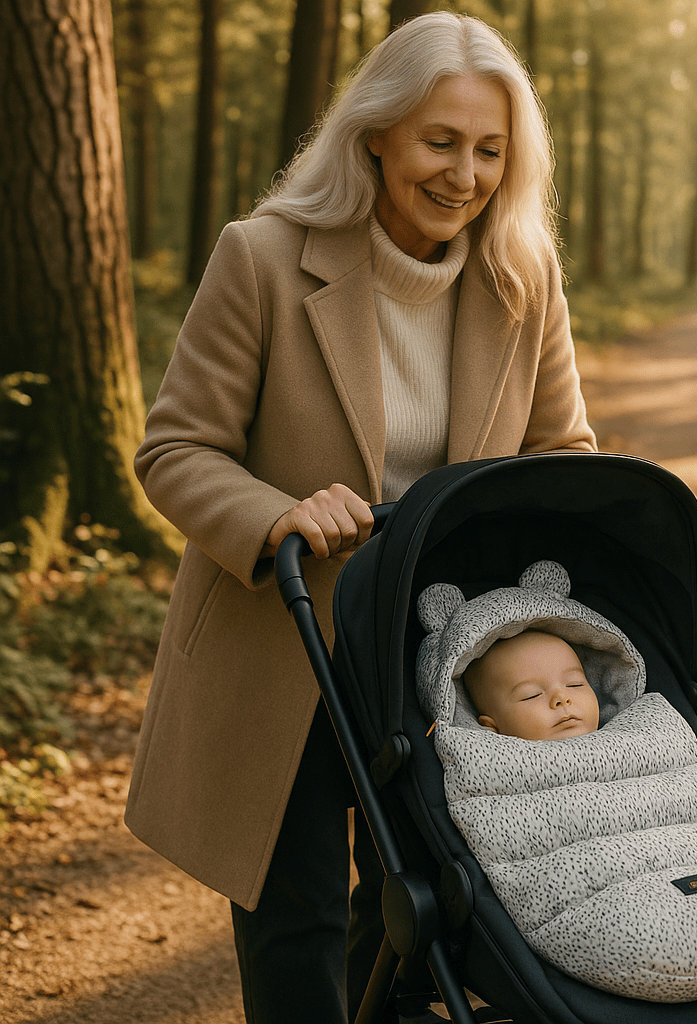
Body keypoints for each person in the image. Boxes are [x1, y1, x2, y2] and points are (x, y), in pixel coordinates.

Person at [124, 11, 596, 1024]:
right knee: (293, 928)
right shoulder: (261, 259)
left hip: (432, 646)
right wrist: (279, 512)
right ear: (374, 133)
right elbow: (174, 451)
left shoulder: (523, 275)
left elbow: (563, 454)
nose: (462, 174)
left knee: (425, 911)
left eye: (488, 150)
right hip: (280, 638)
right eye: (439, 141)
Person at [462, 630, 600, 740]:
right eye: (532, 695)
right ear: (493, 728)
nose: (562, 698)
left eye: (574, 684)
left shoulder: (620, 737)